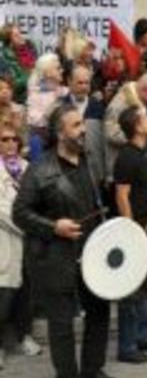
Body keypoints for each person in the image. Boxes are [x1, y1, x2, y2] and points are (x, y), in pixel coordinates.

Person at [13, 104, 112, 378]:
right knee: (61, 325)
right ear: (60, 133)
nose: (83, 130)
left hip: (91, 254)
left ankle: (92, 371)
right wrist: (53, 226)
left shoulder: (89, 160)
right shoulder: (39, 168)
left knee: (99, 314)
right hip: (54, 257)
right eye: (76, 125)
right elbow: (19, 213)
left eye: (82, 124)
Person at [113, 106, 147, 363]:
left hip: (146, 228)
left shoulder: (144, 152)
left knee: (143, 286)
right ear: (136, 126)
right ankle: (127, 346)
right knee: (130, 290)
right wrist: (132, 229)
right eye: (145, 118)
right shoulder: (126, 157)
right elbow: (121, 195)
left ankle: (145, 335)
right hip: (133, 231)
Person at [0, 123, 41, 371]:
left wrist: (34, 222)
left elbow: (40, 202)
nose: (10, 143)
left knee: (27, 293)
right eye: (4, 139)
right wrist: (32, 224)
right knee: (3, 296)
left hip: (30, 243)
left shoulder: (29, 170)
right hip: (6, 241)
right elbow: (3, 212)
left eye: (14, 138)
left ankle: (25, 336)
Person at [104, 72, 147, 189]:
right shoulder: (119, 104)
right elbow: (110, 133)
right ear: (146, 91)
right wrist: (136, 138)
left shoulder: (141, 99)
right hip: (120, 165)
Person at [61, 66, 107, 193]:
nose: (84, 87)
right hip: (68, 172)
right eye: (80, 83)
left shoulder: (98, 107)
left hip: (94, 173)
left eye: (87, 83)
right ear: (69, 82)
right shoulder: (60, 106)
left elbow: (103, 142)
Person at [0, 24, 37, 102]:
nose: (21, 37)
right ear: (9, 42)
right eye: (16, 35)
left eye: (20, 33)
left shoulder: (30, 49)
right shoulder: (3, 59)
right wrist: (30, 75)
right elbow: (12, 84)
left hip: (36, 96)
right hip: (19, 99)